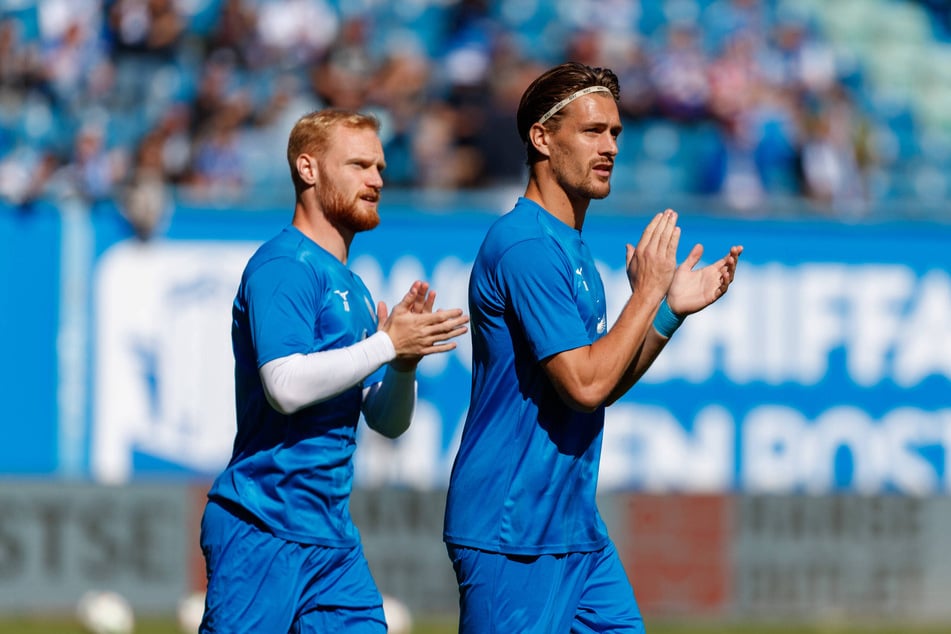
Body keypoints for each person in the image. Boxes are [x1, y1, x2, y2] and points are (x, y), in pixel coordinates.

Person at [443, 62, 743, 633]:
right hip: (513, 530)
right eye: (591, 131)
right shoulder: (525, 245)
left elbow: (602, 380)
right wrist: (647, 294)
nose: (609, 147)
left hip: (572, 524)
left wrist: (666, 311)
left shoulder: (573, 250)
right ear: (541, 138)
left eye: (615, 133)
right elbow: (587, 385)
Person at [200, 108, 469, 633]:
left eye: (381, 168)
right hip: (263, 523)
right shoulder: (284, 265)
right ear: (308, 169)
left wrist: (403, 365)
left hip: (330, 537)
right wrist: (386, 344)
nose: (376, 180)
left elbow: (386, 422)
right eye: (359, 165)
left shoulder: (357, 288)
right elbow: (284, 386)